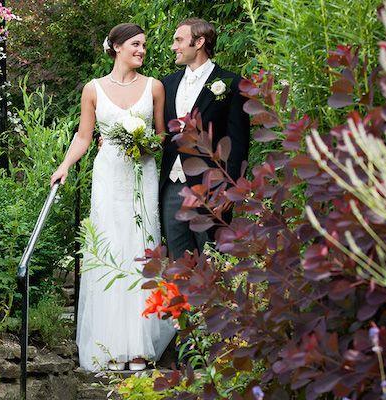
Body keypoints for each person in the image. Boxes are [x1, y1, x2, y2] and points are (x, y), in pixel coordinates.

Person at [50, 23, 175, 372]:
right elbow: (83, 136)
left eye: (144, 45)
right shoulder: (93, 89)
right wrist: (64, 166)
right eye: (135, 44)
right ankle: (110, 347)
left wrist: (145, 144)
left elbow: (162, 136)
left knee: (139, 249)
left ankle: (138, 348)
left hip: (141, 176)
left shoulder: (154, 87)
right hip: (108, 177)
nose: (142, 50)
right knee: (109, 249)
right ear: (117, 47)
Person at [160, 18, 251, 259]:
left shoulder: (232, 83)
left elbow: (239, 142)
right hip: (172, 185)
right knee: (179, 262)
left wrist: (231, 187)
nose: (174, 46)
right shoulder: (166, 84)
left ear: (199, 42)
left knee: (214, 260)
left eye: (179, 40)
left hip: (213, 187)